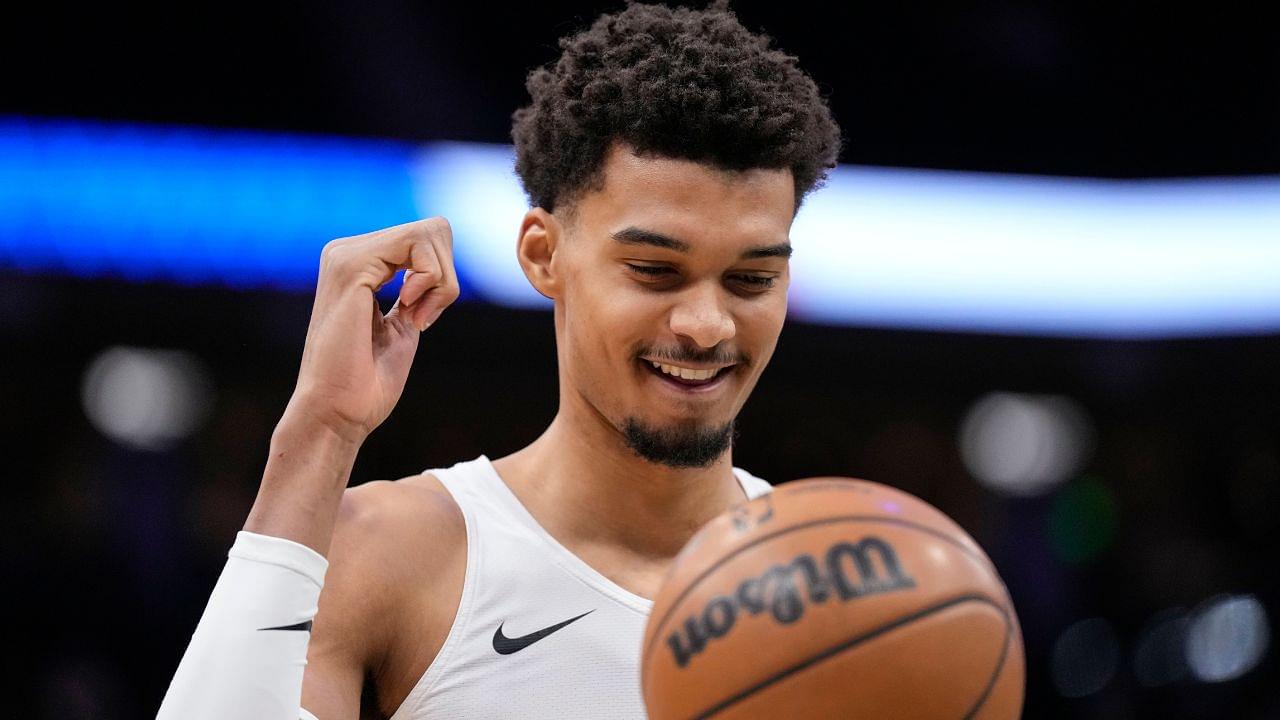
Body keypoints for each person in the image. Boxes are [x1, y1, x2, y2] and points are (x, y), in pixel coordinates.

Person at [158, 2, 841, 718]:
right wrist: (320, 433)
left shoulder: (852, 587)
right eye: (653, 271)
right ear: (544, 256)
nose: (706, 326)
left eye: (752, 280)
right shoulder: (399, 553)